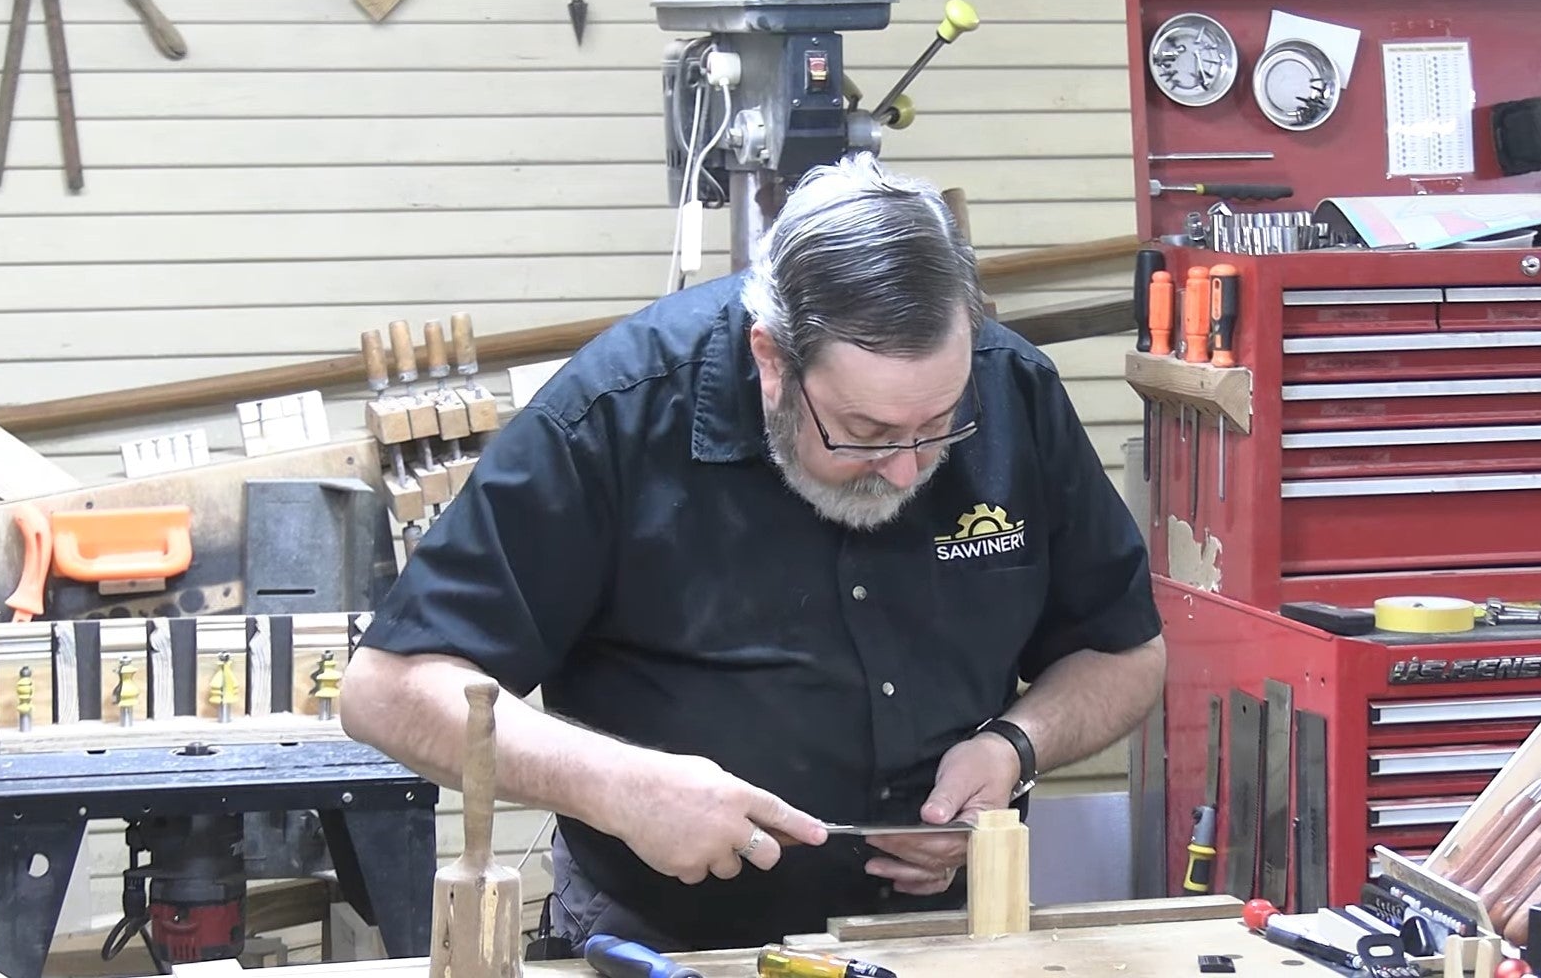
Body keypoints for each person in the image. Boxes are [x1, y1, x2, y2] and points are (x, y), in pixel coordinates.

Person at [340, 151, 1167, 953]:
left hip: (938, 938)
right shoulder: (614, 415)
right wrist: (621, 788)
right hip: (667, 942)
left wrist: (1013, 748)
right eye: (866, 431)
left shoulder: (1013, 388)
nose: (906, 468)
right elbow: (390, 689)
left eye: (939, 426)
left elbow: (1123, 652)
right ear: (771, 359)